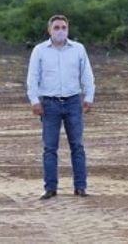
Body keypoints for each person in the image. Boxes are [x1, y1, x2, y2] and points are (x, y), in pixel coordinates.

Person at [26, 14, 95, 199]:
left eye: (63, 27)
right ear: (49, 30)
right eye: (56, 28)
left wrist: (89, 96)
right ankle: (50, 188)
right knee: (49, 148)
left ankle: (80, 187)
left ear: (68, 29)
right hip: (49, 103)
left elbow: (86, 74)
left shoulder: (78, 49)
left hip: (73, 101)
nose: (60, 31)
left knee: (77, 146)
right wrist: (34, 100)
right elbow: (32, 77)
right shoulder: (40, 50)